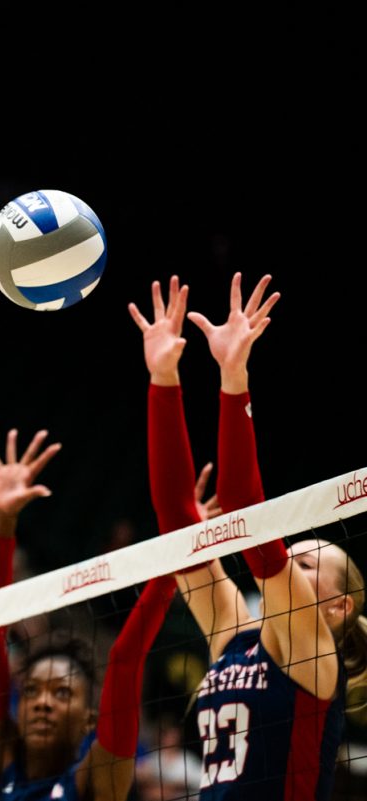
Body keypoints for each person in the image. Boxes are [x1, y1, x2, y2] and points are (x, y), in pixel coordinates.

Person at [129, 273, 367, 799]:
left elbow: (246, 514)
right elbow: (175, 523)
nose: (289, 569)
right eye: (292, 560)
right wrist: (163, 379)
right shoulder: (234, 637)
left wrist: (233, 375)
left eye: (304, 567)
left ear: (340, 607)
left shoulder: (312, 654)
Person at [0, 429, 178, 800]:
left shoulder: (96, 780)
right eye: (31, 691)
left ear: (89, 719)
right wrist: (2, 520)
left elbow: (126, 660)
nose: (42, 702)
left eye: (62, 693)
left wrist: (175, 561)